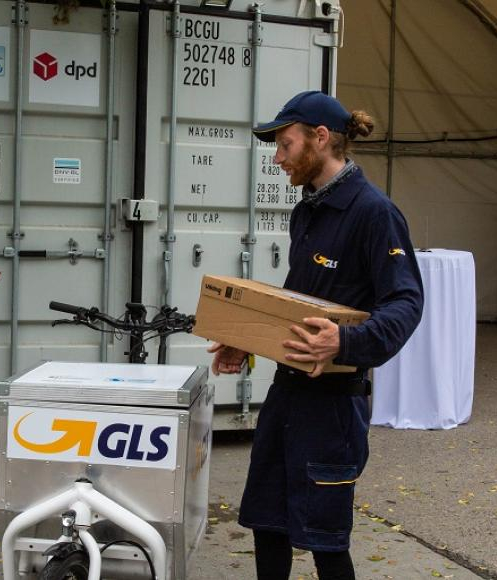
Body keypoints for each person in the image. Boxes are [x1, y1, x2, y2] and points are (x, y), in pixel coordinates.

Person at [208, 90, 424, 579]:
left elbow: (407, 303)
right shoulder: (308, 209)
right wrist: (248, 341)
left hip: (332, 406)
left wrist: (345, 344)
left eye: (285, 145)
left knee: (325, 540)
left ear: (320, 139)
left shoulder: (374, 213)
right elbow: (297, 303)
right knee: (269, 524)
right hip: (287, 395)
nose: (278, 158)